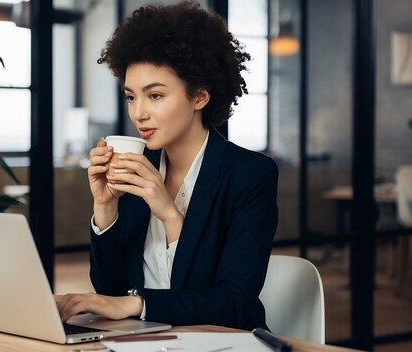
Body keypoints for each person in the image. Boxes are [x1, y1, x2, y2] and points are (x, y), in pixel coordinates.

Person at [56, 1, 278, 330]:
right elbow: (110, 292)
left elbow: (234, 303)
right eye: (131, 96)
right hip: (142, 340)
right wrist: (105, 208)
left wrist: (169, 214)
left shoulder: (249, 175)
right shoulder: (135, 169)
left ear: (200, 97)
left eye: (155, 95)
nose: (138, 113)